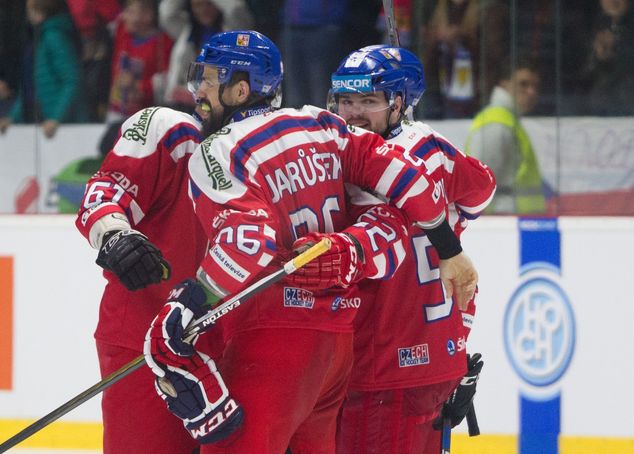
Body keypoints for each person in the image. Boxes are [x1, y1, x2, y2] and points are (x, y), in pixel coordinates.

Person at [142, 30, 479, 452]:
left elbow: (249, 239)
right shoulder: (320, 125)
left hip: (273, 342)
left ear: (240, 89)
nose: (198, 90)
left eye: (209, 79)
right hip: (335, 348)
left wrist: (194, 298)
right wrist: (449, 245)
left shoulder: (218, 150)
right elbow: (413, 180)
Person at [324, 45, 495, 453]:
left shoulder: (364, 173)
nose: (354, 113)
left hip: (383, 367)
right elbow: (481, 192)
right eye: (346, 101)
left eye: (369, 101)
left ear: (399, 103)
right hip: (436, 358)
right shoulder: (432, 147)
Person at [75, 107, 224, 453]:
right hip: (146, 339)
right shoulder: (174, 132)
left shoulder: (271, 142)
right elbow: (105, 191)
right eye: (202, 76)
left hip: (236, 341)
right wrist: (114, 235)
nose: (202, 90)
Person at [465, 56, 544, 215]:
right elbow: (481, 186)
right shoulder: (497, 124)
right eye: (523, 84)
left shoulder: (505, 120)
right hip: (503, 224)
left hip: (513, 224)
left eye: (535, 86)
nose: (531, 92)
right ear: (504, 83)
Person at [0, 0, 87, 138]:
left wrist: (56, 118)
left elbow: (72, 80)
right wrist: (13, 118)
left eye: (29, 10)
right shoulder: (39, 38)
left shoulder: (54, 37)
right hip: (45, 121)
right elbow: (31, 86)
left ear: (39, 13)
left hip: (63, 126)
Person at [158, 0, 253, 112]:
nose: (203, 10)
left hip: (222, 105)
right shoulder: (186, 30)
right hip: (185, 103)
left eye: (208, 4)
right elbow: (167, 12)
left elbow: (235, 9)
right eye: (197, 5)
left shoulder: (235, 31)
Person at [107, 0, 174, 122]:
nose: (125, 16)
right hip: (116, 110)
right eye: (127, 11)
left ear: (148, 14)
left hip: (145, 115)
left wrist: (140, 87)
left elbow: (167, 78)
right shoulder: (122, 31)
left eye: (132, 12)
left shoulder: (162, 43)